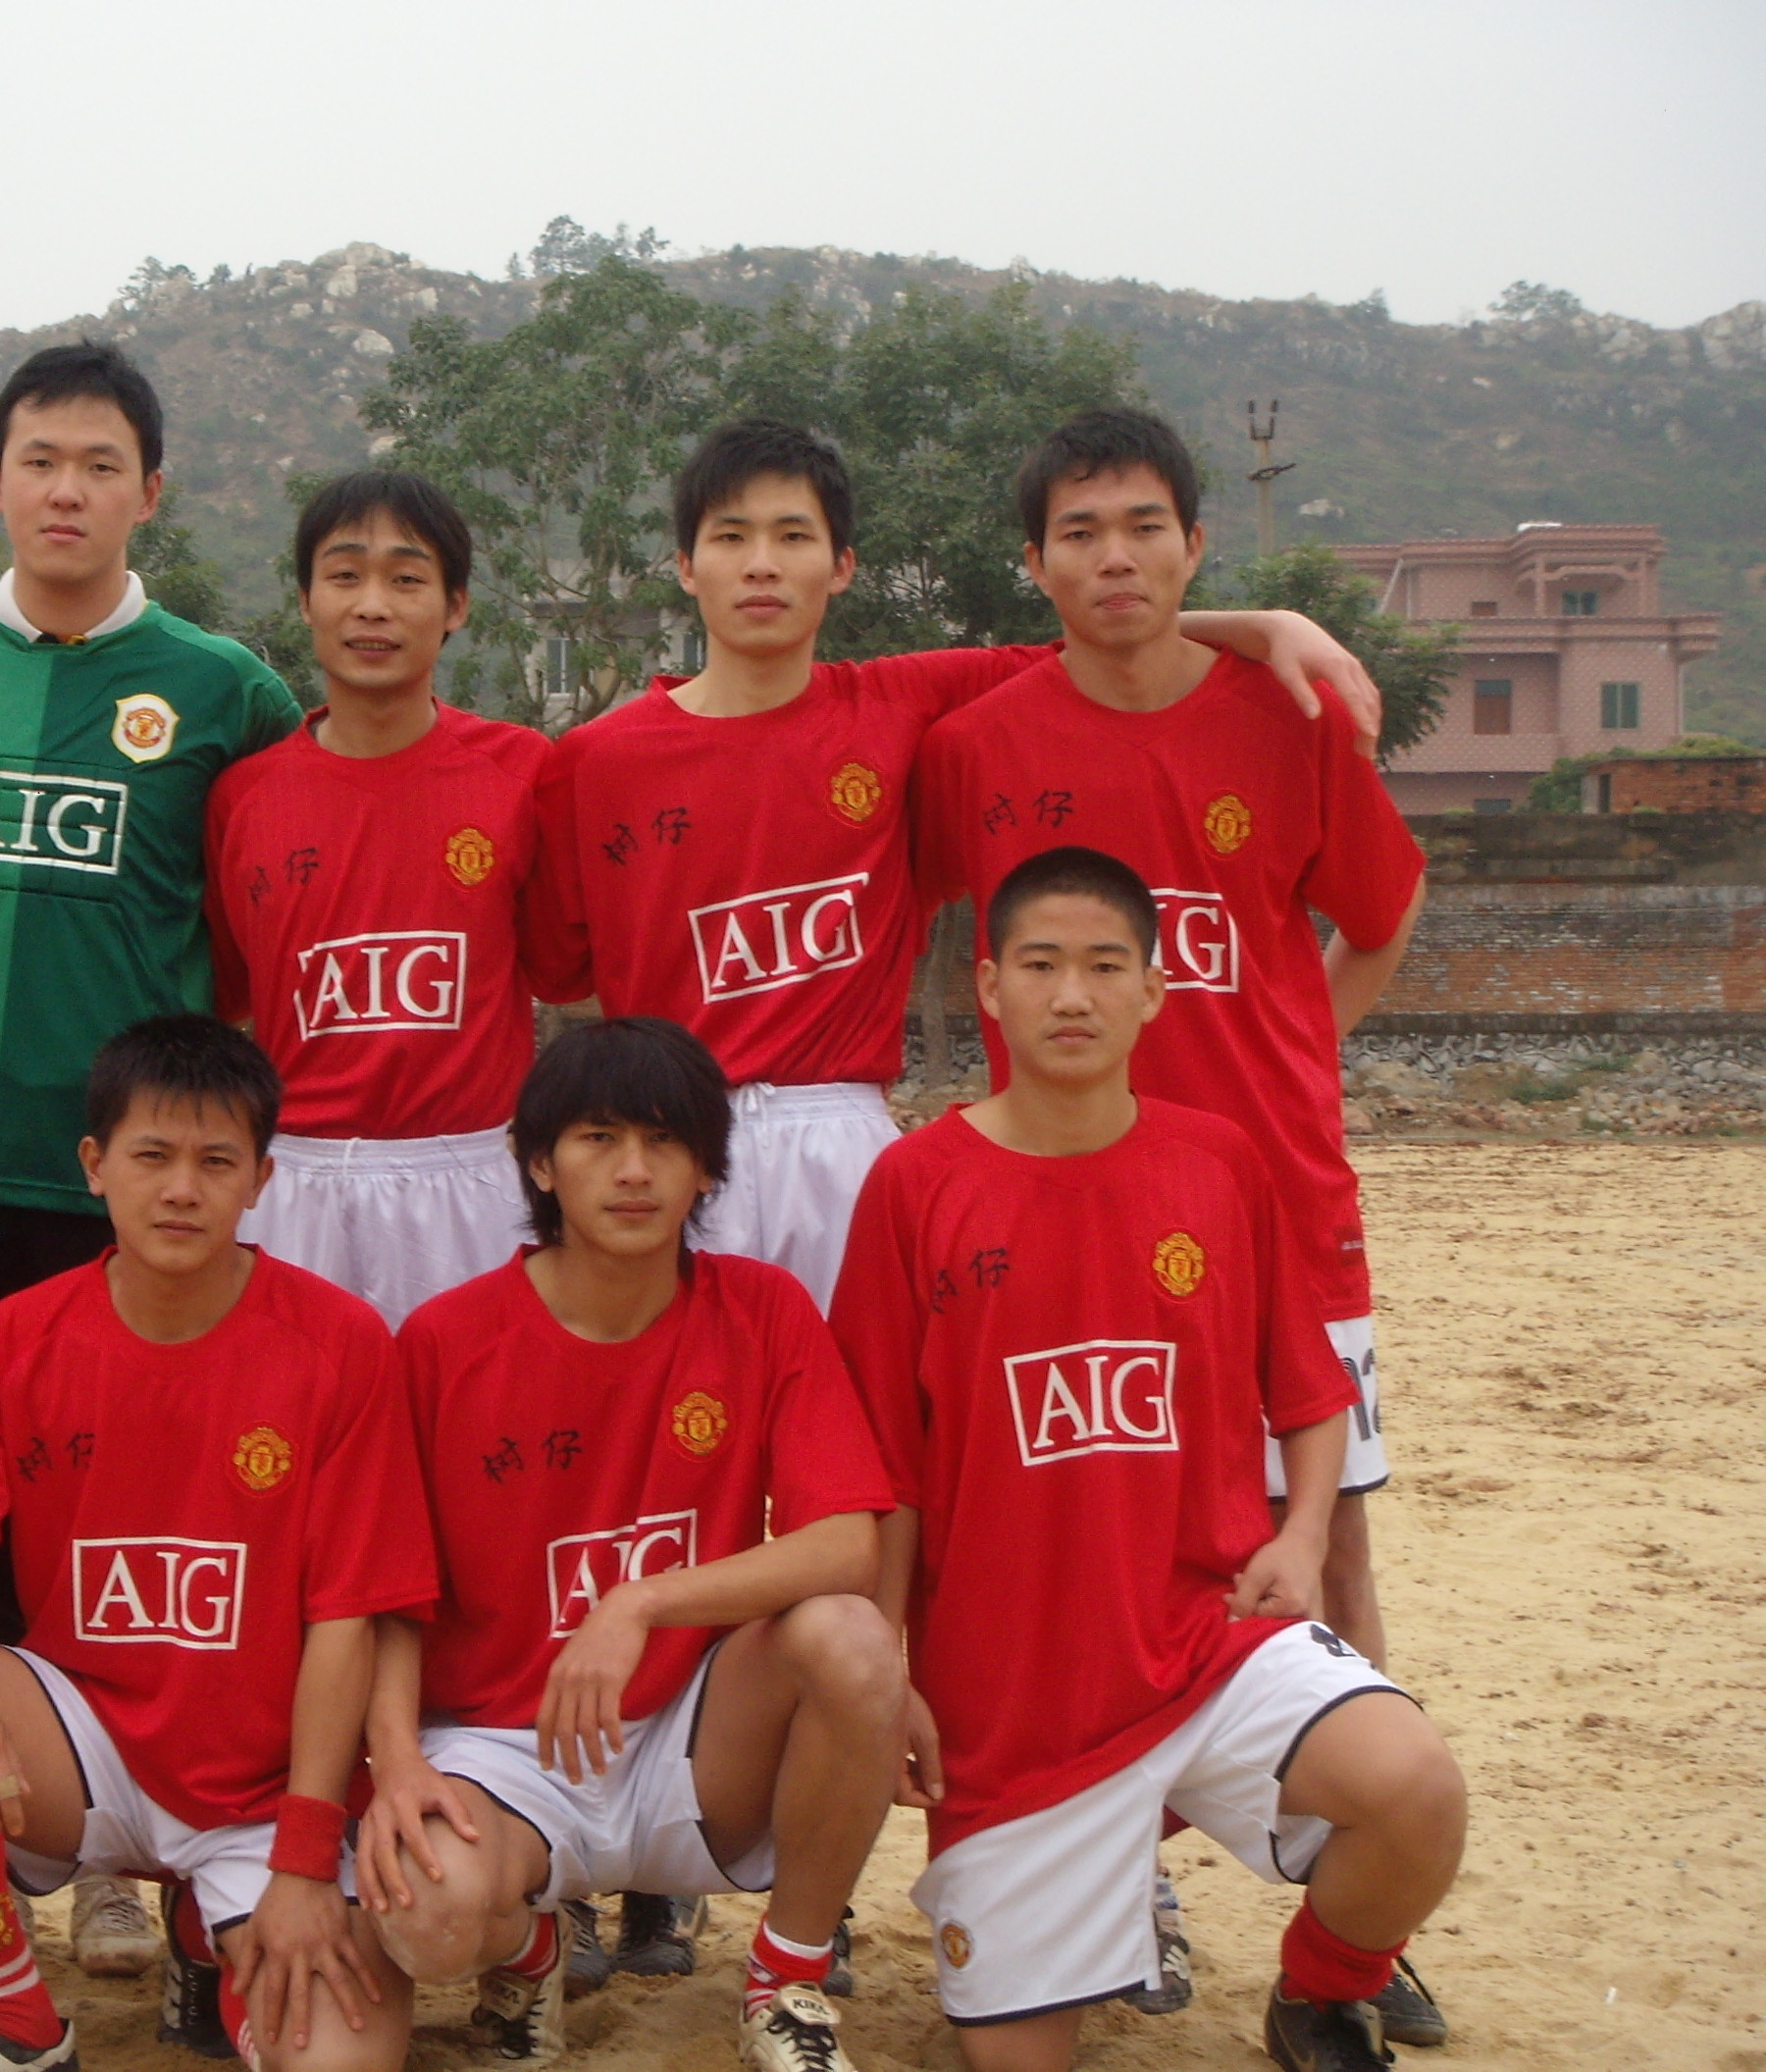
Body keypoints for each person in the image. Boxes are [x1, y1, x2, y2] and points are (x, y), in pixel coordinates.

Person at [519, 417, 1381, 1982]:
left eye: (794, 535)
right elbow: (564, 961)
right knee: (656, 1483)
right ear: (682, 564)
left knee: (891, 1504)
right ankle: (634, 1839)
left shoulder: (905, 706)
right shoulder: (593, 762)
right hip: (672, 1140)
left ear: (843, 565)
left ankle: (959, 1852)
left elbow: (1104, 623)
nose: (763, 565)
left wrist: (1269, 623)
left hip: (843, 1137)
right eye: (731, 537)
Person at [912, 408, 1435, 2036]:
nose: (1116, 556)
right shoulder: (978, 743)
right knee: (1081, 1525)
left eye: (1145, 525)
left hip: (1277, 1205)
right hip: (1059, 1213)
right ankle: (1116, 1869)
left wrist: (1290, 1054)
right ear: (1035, 560)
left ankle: (1355, 1887)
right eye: (1080, 531)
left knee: (1324, 1532)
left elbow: (1380, 916)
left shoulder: (1288, 717)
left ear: (1195, 542)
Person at [829, 846, 1467, 2072]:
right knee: (1017, 2059)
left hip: (1203, 1643)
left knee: (1415, 1790)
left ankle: (1321, 1992)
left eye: (1103, 966)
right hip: (1010, 1714)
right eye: (1039, 966)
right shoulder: (912, 1185)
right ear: (988, 988)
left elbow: (1308, 1392)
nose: (1070, 995)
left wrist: (1297, 1538)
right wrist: (894, 1666)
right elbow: (883, 1470)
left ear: (1153, 990)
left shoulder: (1217, 1162)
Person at [0, 338, 298, 1979]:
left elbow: (266, 895)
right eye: (40, 459)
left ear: (149, 491)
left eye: (100, 463)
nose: (67, 489)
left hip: (123, 1175)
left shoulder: (225, 688)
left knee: (109, 1502)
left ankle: (112, 1847)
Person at [0, 1016, 436, 2072]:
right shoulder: (13, 1341)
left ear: (262, 1178)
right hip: (83, 1743)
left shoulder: (340, 1343)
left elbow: (349, 1614)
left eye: (216, 1162)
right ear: (94, 1165)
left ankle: (212, 1924)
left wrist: (302, 1859)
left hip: (265, 1784)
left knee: (343, 2060)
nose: (181, 1190)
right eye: (151, 1156)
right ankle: (19, 2024)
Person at [357, 1016, 906, 2072]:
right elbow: (387, 1594)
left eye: (664, 1141)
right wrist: (397, 1764)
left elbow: (846, 1545)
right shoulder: (442, 1344)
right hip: (501, 1749)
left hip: (691, 1737)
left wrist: (640, 1602)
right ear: (537, 1161)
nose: (634, 1171)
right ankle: (527, 1952)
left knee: (851, 1639)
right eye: (599, 1138)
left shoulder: (762, 1310)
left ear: (707, 1169)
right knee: (424, 1919)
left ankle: (786, 1984)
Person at [206, 471, 569, 1324]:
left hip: (472, 1179)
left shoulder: (523, 773)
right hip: (294, 1181)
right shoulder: (241, 798)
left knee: (468, 1404)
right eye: (345, 575)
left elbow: (561, 967)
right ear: (306, 600)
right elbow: (231, 998)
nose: (373, 605)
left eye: (406, 578)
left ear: (455, 606)